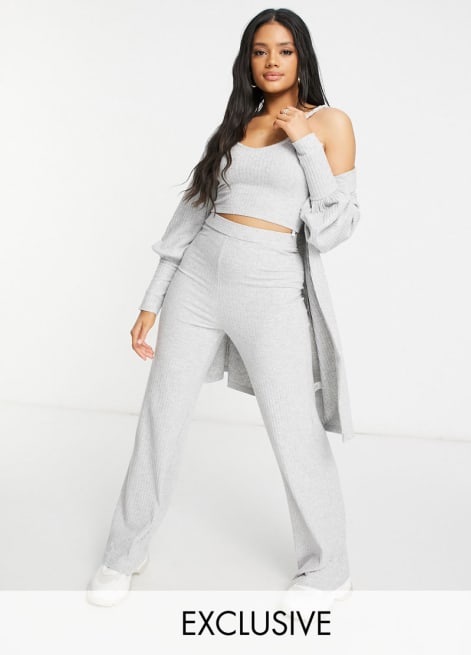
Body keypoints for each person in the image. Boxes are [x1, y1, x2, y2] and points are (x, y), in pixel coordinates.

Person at [87, 7, 361, 608]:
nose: (271, 61)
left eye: (284, 50)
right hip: (198, 280)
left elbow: (335, 226)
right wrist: (153, 298)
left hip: (271, 288)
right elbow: (191, 213)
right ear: (247, 60)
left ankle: (329, 571)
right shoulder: (238, 122)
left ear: (302, 57)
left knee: (295, 429)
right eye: (260, 51)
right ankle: (124, 552)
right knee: (161, 415)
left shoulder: (328, 123)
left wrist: (305, 143)